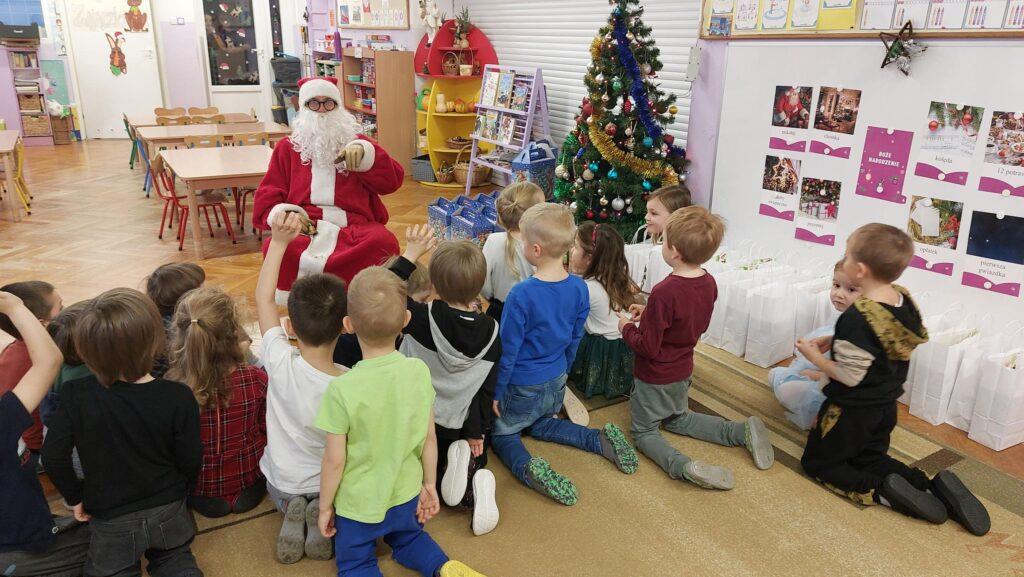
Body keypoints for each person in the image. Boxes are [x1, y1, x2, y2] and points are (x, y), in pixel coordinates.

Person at [798, 224, 990, 536]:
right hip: (885, 407)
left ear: (860, 270)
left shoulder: (856, 318)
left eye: (847, 255)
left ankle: (881, 491)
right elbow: (880, 343)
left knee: (819, 463)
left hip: (851, 412)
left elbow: (849, 376)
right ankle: (928, 485)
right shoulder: (902, 300)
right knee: (870, 456)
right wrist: (836, 340)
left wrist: (814, 357)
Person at [315, 267, 487, 577]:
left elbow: (334, 460)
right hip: (406, 494)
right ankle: (444, 567)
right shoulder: (418, 371)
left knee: (356, 563)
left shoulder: (341, 389)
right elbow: (429, 438)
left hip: (359, 506)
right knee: (411, 540)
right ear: (406, 320)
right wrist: (429, 485)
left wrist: (325, 506)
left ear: (348, 325)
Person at [41, 288, 204, 577]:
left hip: (110, 517)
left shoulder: (75, 394)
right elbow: (191, 457)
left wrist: (75, 497)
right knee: (175, 558)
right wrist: (181, 490)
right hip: (168, 507)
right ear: (156, 343)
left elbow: (53, 455)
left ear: (84, 351)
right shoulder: (177, 395)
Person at [491, 203, 638, 506]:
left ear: (535, 250)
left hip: (522, 383)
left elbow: (508, 350)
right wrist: (564, 372)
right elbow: (574, 338)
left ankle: (527, 467)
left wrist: (497, 391)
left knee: (503, 434)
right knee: (542, 424)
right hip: (556, 377)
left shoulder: (521, 294)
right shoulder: (579, 288)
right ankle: (597, 439)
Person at [620, 206, 775, 490]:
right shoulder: (708, 282)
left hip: (655, 376)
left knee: (643, 432)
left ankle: (681, 466)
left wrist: (625, 328)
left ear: (674, 251)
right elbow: (688, 320)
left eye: (664, 240)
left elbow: (648, 347)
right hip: (682, 370)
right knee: (678, 420)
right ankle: (738, 431)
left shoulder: (664, 291)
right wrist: (650, 312)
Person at [252, 76, 404, 303]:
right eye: (314, 103)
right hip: (307, 227)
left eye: (328, 103)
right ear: (303, 108)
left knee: (383, 242)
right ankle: (303, 307)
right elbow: (268, 195)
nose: (322, 109)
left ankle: (369, 302)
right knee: (284, 248)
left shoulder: (358, 143)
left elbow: (392, 182)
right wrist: (288, 215)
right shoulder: (287, 148)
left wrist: (368, 157)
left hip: (355, 226)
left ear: (338, 106)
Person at [391, 227, 501, 536]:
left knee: (412, 471)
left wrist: (411, 254)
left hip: (416, 423)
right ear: (480, 285)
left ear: (435, 284)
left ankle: (452, 475)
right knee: (465, 457)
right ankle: (475, 481)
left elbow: (383, 291)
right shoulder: (492, 331)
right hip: (458, 424)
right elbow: (485, 389)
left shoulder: (420, 317)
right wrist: (476, 432)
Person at [256, 211, 346, 564]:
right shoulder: (350, 381)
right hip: (329, 484)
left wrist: (278, 243)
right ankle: (321, 513)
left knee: (282, 490)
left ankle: (289, 507)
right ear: (345, 326)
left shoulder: (279, 360)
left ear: (290, 327)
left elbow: (264, 299)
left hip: (283, 481)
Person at [0, 291, 91, 577]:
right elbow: (49, 360)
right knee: (112, 540)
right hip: (21, 546)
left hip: (26, 526)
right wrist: (14, 306)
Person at [167, 287, 268, 519]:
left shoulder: (172, 388)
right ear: (235, 333)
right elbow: (267, 428)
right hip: (250, 478)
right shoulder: (256, 378)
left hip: (201, 488)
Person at [769, 261, 860, 430]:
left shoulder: (858, 330)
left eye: (851, 290)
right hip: (831, 375)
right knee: (778, 376)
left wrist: (816, 371)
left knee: (784, 387)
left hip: (842, 392)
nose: (839, 294)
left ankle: (823, 416)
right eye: (836, 285)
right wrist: (830, 340)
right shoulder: (849, 319)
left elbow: (850, 377)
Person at [568, 221, 640, 399]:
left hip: (605, 349)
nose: (571, 250)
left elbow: (568, 322)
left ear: (589, 258)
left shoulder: (586, 288)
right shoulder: (614, 277)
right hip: (626, 344)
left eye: (575, 246)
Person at [0, 280, 62, 465]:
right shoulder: (38, 360)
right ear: (41, 324)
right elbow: (49, 362)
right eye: (61, 308)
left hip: (20, 438)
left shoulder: (11, 349)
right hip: (37, 446)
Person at [480, 181, 545, 322]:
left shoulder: (493, 241)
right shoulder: (542, 245)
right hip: (535, 315)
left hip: (500, 313)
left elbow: (484, 286)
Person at [145, 263, 206, 378]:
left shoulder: (157, 319)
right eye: (200, 288)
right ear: (187, 298)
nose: (205, 290)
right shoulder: (183, 327)